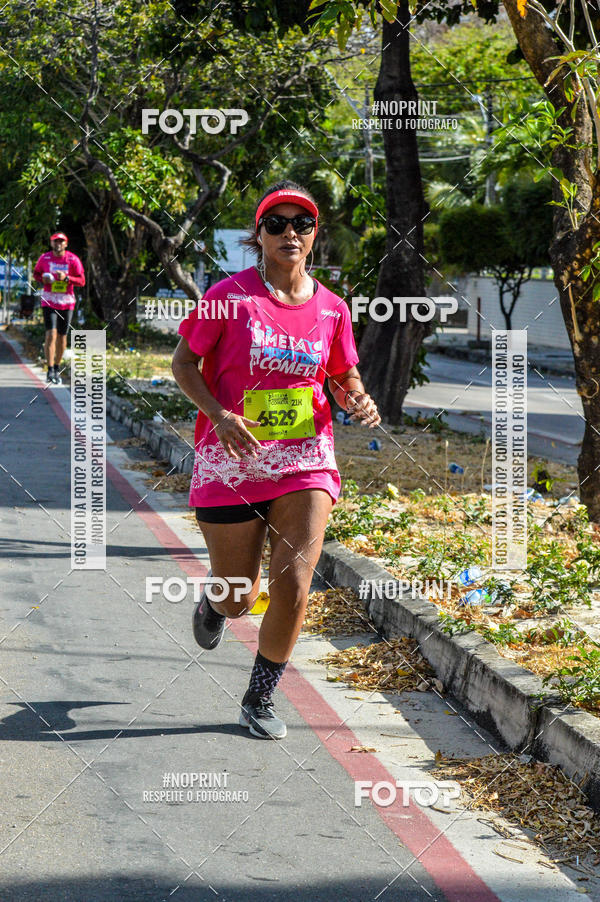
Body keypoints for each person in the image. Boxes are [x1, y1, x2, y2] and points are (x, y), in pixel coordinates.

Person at [171, 180, 380, 740]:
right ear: (258, 235)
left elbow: (341, 372)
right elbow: (184, 364)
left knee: (292, 584)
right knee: (240, 594)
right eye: (277, 224)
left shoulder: (333, 307)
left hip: (306, 458)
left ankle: (259, 698)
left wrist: (353, 395)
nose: (291, 233)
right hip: (233, 458)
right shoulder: (228, 296)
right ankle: (216, 603)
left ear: (315, 236)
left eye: (303, 224)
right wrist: (218, 414)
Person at [33, 232, 85, 384]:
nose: (58, 244)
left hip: (66, 301)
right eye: (56, 241)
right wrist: (42, 279)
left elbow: (82, 281)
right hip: (49, 300)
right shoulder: (45, 258)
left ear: (66, 244)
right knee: (50, 334)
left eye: (61, 242)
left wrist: (67, 278)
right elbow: (36, 274)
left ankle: (56, 367)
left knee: (62, 337)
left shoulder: (72, 259)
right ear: (51, 243)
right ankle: (49, 370)